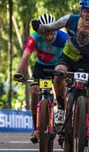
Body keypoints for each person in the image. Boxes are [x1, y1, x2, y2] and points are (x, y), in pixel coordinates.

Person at [31, 0, 89, 152]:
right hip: (68, 58)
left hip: (86, 62)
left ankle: (85, 144)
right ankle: (62, 108)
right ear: (81, 11)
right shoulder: (69, 20)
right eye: (86, 11)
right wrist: (39, 27)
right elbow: (50, 27)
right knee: (58, 73)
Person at [14, 13, 69, 143]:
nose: (48, 34)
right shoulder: (35, 37)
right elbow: (25, 56)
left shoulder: (63, 38)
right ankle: (36, 129)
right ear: (40, 30)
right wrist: (18, 72)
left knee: (61, 93)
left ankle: (64, 125)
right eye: (45, 32)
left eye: (51, 31)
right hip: (41, 68)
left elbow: (70, 56)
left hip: (58, 67)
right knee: (34, 91)